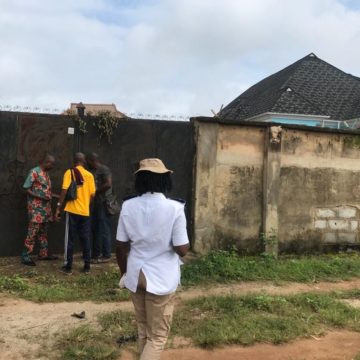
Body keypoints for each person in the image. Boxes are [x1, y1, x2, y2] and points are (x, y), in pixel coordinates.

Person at [116, 158, 189, 360]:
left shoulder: (128, 206)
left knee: (143, 330)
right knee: (157, 337)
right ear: (165, 181)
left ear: (139, 181)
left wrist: (124, 273)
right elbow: (182, 249)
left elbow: (120, 246)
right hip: (160, 277)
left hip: (135, 274)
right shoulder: (175, 209)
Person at [55, 152, 96, 274]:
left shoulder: (70, 172)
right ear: (83, 162)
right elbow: (93, 194)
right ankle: (87, 266)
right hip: (85, 211)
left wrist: (58, 207)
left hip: (72, 210)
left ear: (74, 161)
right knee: (85, 238)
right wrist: (86, 205)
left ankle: (68, 267)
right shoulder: (89, 175)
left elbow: (64, 191)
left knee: (70, 239)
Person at [21, 154, 58, 266]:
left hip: (46, 210)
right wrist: (40, 197)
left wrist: (59, 196)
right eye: (52, 164)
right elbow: (26, 189)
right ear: (46, 162)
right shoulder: (34, 172)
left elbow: (46, 192)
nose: (53, 166)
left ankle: (43, 254)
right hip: (36, 210)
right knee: (32, 233)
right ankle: (25, 256)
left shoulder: (46, 174)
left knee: (43, 233)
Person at [86, 153, 113, 263]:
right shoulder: (92, 171)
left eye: (88, 162)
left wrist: (95, 192)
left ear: (92, 161)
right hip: (96, 204)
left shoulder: (104, 169)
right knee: (96, 229)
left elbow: (108, 184)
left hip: (103, 203)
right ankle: (96, 254)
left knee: (104, 229)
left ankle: (106, 255)